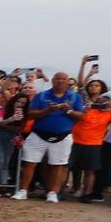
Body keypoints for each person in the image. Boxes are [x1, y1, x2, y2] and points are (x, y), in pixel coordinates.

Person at [16, 71, 86, 202]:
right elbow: (30, 114)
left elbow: (81, 116)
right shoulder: (41, 96)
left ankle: (53, 192)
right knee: (30, 163)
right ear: (53, 80)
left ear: (67, 81)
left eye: (63, 79)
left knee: (57, 165)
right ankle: (23, 190)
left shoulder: (75, 97)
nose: (60, 81)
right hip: (39, 133)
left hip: (63, 135)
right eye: (57, 79)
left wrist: (68, 110)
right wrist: (47, 110)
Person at [69, 82, 111, 202]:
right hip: (76, 139)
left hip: (94, 143)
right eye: (91, 85)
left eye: (97, 86)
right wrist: (86, 110)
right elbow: (74, 116)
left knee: (90, 170)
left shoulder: (107, 108)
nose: (93, 87)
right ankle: (74, 188)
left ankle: (87, 193)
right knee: (71, 167)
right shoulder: (83, 102)